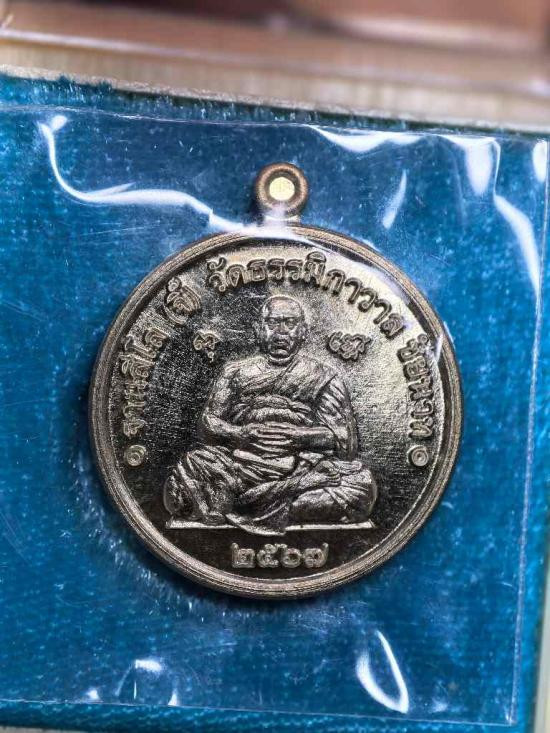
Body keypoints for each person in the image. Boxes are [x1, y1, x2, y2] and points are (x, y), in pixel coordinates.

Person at [164, 295, 377, 534]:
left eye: (290, 323)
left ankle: (239, 503)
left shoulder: (324, 376)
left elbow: (345, 442)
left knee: (361, 486)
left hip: (301, 465)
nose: (281, 332)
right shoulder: (234, 372)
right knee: (185, 477)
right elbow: (207, 424)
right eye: (273, 323)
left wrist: (299, 437)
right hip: (240, 466)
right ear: (258, 330)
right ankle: (264, 501)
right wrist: (239, 433)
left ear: (304, 332)